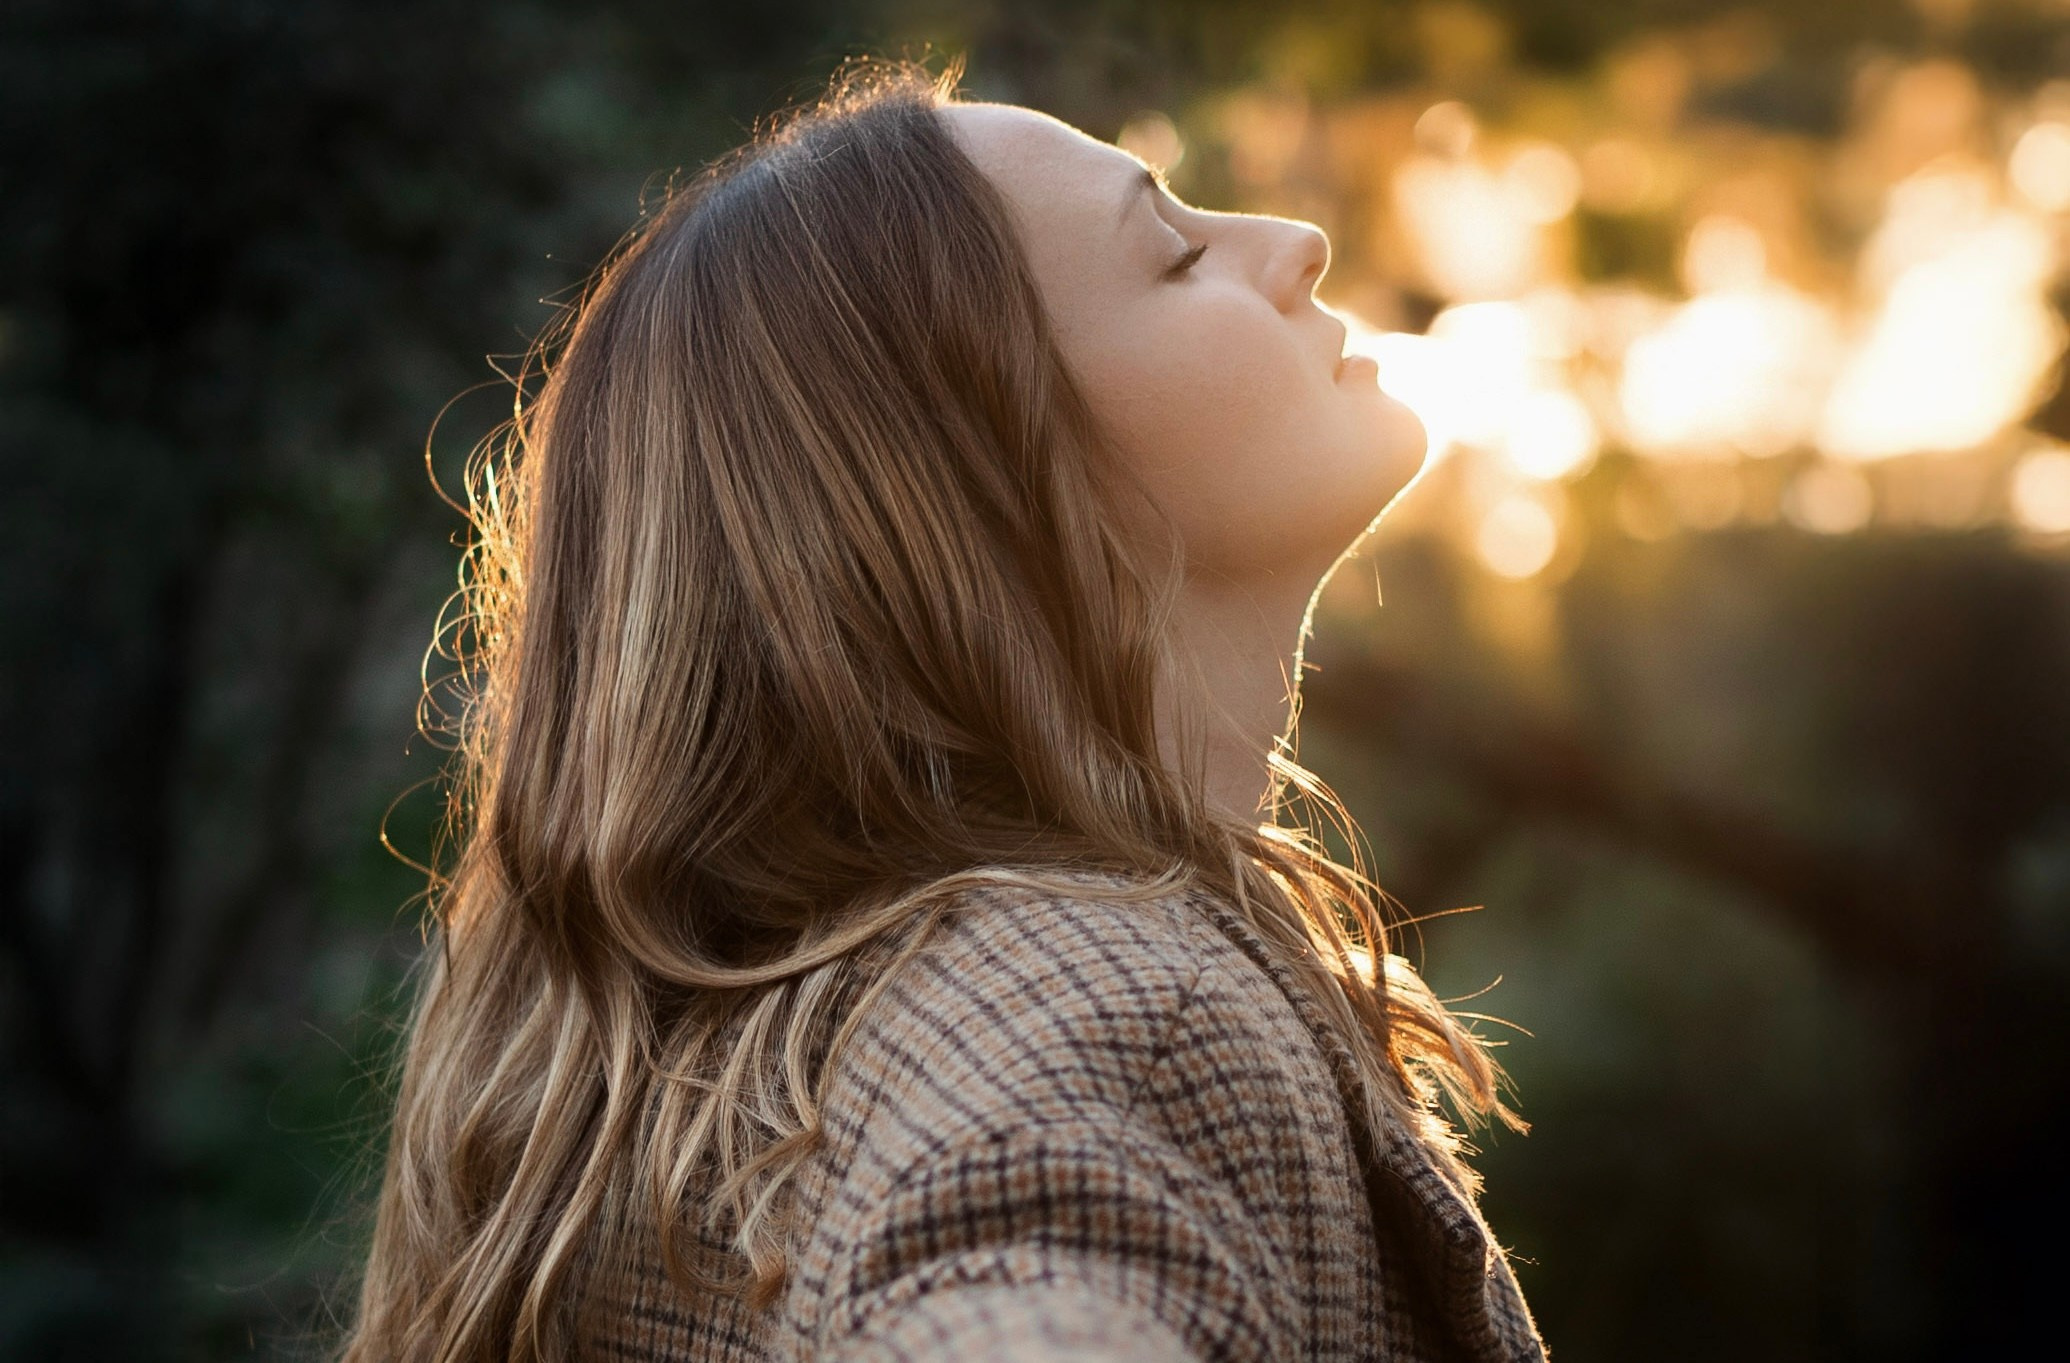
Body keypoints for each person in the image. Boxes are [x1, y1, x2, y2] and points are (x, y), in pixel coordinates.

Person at [341, 54, 1548, 1363]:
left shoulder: (732, 1049)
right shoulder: (1105, 1009)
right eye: (1174, 254)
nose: (1297, 244)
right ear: (983, 475)